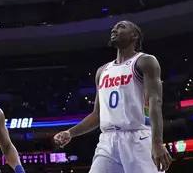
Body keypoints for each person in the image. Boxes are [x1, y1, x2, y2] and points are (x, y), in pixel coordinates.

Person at [53, 21, 173, 173]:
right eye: (114, 27)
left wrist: (157, 142)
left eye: (122, 27)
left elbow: (155, 102)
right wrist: (70, 132)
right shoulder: (102, 71)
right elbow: (97, 115)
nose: (115, 29)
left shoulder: (145, 61)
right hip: (108, 141)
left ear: (134, 36)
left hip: (138, 138)